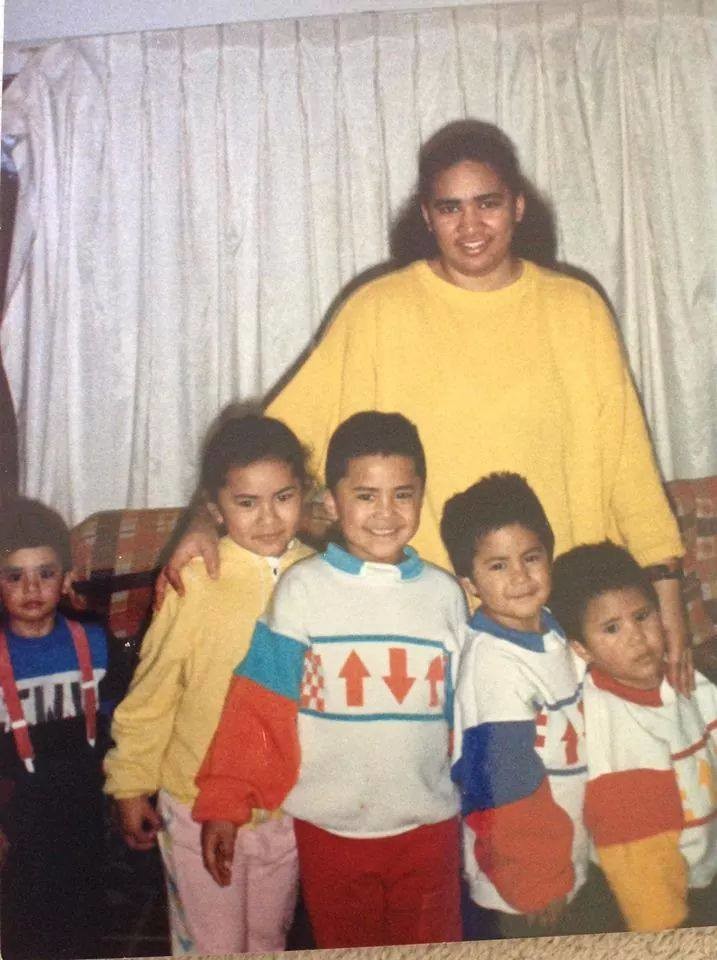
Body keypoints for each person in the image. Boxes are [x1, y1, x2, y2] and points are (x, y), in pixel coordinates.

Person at [162, 118, 690, 693]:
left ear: (517, 205)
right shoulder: (378, 311)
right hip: (425, 616)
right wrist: (201, 521)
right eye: (449, 207)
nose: (470, 225)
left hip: (564, 612)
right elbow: (274, 444)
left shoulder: (577, 309)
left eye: (486, 203)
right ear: (425, 215)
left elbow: (628, 464)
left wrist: (668, 597)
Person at [193, 411, 467, 949]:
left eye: (402, 495)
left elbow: (465, 712)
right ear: (333, 503)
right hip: (329, 831)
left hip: (430, 828)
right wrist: (226, 802)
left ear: (421, 496)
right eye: (366, 495)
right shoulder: (302, 590)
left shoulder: (443, 595)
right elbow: (257, 708)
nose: (385, 513)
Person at [104, 415, 313, 955]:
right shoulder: (196, 578)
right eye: (247, 503)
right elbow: (154, 689)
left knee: (268, 939)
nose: (267, 517)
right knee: (211, 944)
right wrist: (130, 782)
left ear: (304, 494)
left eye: (282, 497)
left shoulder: (319, 576)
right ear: (217, 509)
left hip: (284, 806)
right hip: (195, 796)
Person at [440, 472, 602, 939]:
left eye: (531, 558)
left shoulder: (550, 627)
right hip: (519, 885)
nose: (520, 577)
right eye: (498, 566)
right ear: (468, 581)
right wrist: (534, 881)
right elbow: (504, 787)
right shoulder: (493, 665)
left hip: (563, 856)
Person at [550, 542, 717, 932]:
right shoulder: (615, 729)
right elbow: (639, 860)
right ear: (580, 647)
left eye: (643, 616)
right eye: (612, 628)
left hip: (701, 863)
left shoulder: (684, 681)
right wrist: (667, 931)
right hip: (658, 893)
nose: (637, 637)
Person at [0, 497, 108, 960]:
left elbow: (119, 723)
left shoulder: (96, 643)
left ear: (66, 580)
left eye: (45, 573)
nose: (31, 588)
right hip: (16, 820)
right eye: (14, 576)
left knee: (84, 928)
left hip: (82, 813)